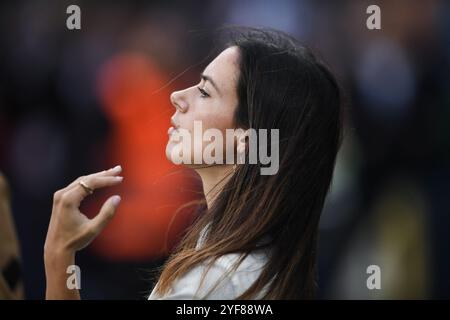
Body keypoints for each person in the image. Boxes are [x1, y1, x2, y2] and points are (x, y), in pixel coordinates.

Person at [44, 27, 344, 300]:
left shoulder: (217, 283)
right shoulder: (240, 262)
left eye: (204, 91)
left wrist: (58, 257)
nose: (176, 96)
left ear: (248, 141)